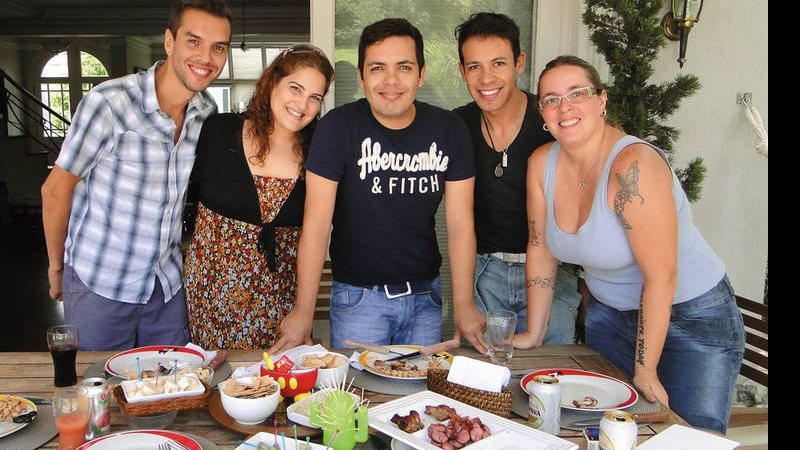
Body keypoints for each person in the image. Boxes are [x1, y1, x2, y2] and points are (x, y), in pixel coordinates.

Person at [519, 55, 745, 433]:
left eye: (578, 93)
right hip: (611, 316)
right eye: (552, 99)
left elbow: (660, 276)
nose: (565, 107)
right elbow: (541, 249)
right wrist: (534, 332)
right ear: (542, 111)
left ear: (602, 100)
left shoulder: (633, 164)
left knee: (688, 438)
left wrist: (646, 367)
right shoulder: (542, 163)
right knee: (604, 432)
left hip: (691, 317)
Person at [268, 18, 479, 354]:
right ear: (362, 75)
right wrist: (303, 310)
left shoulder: (449, 130)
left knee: (422, 400)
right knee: (357, 401)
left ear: (421, 74)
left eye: (404, 67)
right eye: (377, 68)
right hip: (358, 299)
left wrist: (464, 303)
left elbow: (460, 224)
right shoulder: (338, 128)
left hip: (426, 298)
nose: (390, 80)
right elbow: (318, 224)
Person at [40, 0, 233, 350]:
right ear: (169, 41)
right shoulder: (110, 103)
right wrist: (57, 268)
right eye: (194, 41)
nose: (206, 57)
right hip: (102, 283)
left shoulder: (207, 111)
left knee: (172, 393)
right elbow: (54, 191)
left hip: (166, 286)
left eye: (218, 47)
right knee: (100, 393)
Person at [184, 44, 335, 349]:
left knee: (277, 388)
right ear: (272, 83)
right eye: (295, 88)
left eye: (314, 97)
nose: (302, 104)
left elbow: (316, 233)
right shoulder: (217, 131)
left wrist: (304, 311)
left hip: (280, 305)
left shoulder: (319, 153)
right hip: (210, 300)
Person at [453, 12, 581, 346]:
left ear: (519, 63)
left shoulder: (552, 120)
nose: (486, 78)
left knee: (552, 381)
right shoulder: (457, 127)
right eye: (474, 66)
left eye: (498, 63)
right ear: (462, 71)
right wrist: (463, 300)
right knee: (483, 385)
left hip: (553, 271)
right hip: (486, 273)